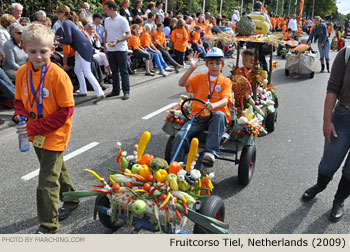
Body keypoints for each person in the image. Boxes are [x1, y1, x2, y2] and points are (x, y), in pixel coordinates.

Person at [12, 23, 79, 234]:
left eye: (43, 51)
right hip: (35, 132)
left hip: (56, 133)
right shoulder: (22, 72)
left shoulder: (58, 76)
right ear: (25, 49)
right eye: (33, 51)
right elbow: (19, 101)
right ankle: (72, 200)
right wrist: (19, 115)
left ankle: (48, 226)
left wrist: (34, 128)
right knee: (56, 171)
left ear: (52, 49)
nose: (38, 56)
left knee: (46, 183)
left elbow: (66, 111)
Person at [302, 46, 350, 222]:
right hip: (343, 117)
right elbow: (332, 88)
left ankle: (339, 201)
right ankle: (320, 186)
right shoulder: (346, 54)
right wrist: (326, 121)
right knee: (328, 164)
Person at [170, 48, 233, 165]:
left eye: (217, 63)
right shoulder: (200, 78)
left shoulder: (225, 81)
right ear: (207, 64)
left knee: (219, 114)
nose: (214, 66)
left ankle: (210, 152)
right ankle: (176, 165)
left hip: (215, 118)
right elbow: (181, 83)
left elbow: (225, 100)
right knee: (179, 136)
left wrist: (213, 105)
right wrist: (192, 68)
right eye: (211, 63)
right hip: (198, 117)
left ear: (222, 65)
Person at [56, 5, 104, 103]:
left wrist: (59, 41)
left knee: (87, 71)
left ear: (61, 13)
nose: (57, 15)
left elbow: (68, 40)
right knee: (78, 69)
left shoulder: (66, 23)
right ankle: (83, 90)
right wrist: (59, 40)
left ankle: (100, 93)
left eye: (57, 13)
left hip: (83, 49)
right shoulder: (69, 22)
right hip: (81, 48)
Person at [104, 0, 131, 100]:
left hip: (121, 49)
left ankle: (126, 91)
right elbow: (106, 34)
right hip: (111, 50)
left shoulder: (122, 20)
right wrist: (105, 46)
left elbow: (129, 35)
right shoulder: (106, 20)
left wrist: (118, 40)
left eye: (106, 9)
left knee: (123, 71)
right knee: (114, 71)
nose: (105, 11)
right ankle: (115, 90)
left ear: (112, 9)